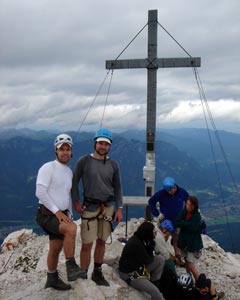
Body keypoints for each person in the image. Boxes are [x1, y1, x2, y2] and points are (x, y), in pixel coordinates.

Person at [71, 128, 123, 286]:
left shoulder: (113, 164)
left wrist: (119, 208)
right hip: (90, 207)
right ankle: (84, 273)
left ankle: (97, 272)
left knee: (101, 241)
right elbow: (74, 182)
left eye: (106, 144)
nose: (103, 147)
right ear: (95, 143)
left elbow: (118, 187)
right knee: (87, 244)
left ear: (109, 147)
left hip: (107, 206)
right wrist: (76, 202)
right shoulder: (84, 161)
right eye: (100, 143)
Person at [36, 134, 85, 291]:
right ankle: (71, 266)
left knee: (56, 247)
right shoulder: (48, 167)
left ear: (71, 152)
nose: (65, 152)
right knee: (71, 229)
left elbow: (66, 195)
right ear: (55, 151)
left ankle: (52, 278)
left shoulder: (68, 172)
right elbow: (40, 192)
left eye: (68, 149)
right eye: (61, 149)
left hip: (60, 213)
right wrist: (58, 212)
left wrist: (68, 214)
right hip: (47, 214)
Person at [119, 221, 166, 300]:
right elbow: (148, 260)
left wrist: (150, 244)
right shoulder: (136, 244)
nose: (154, 234)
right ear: (147, 233)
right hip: (131, 275)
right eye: (153, 232)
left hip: (138, 267)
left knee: (160, 259)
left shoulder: (141, 239)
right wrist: (151, 246)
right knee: (155, 291)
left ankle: (154, 282)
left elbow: (148, 258)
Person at [148, 176, 189, 259]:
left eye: (171, 190)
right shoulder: (161, 193)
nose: (170, 192)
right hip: (165, 220)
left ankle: (177, 256)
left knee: (176, 238)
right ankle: (160, 255)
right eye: (168, 191)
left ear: (175, 186)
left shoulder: (182, 192)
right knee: (162, 238)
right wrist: (157, 214)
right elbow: (151, 202)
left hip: (178, 220)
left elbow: (188, 201)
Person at [175, 195, 203, 281]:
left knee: (191, 264)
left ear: (194, 206)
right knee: (186, 261)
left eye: (190, 204)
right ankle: (189, 279)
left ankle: (200, 283)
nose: (188, 206)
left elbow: (193, 228)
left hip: (193, 245)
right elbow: (177, 222)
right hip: (185, 243)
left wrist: (184, 223)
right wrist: (188, 223)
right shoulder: (184, 212)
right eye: (187, 204)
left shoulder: (197, 216)